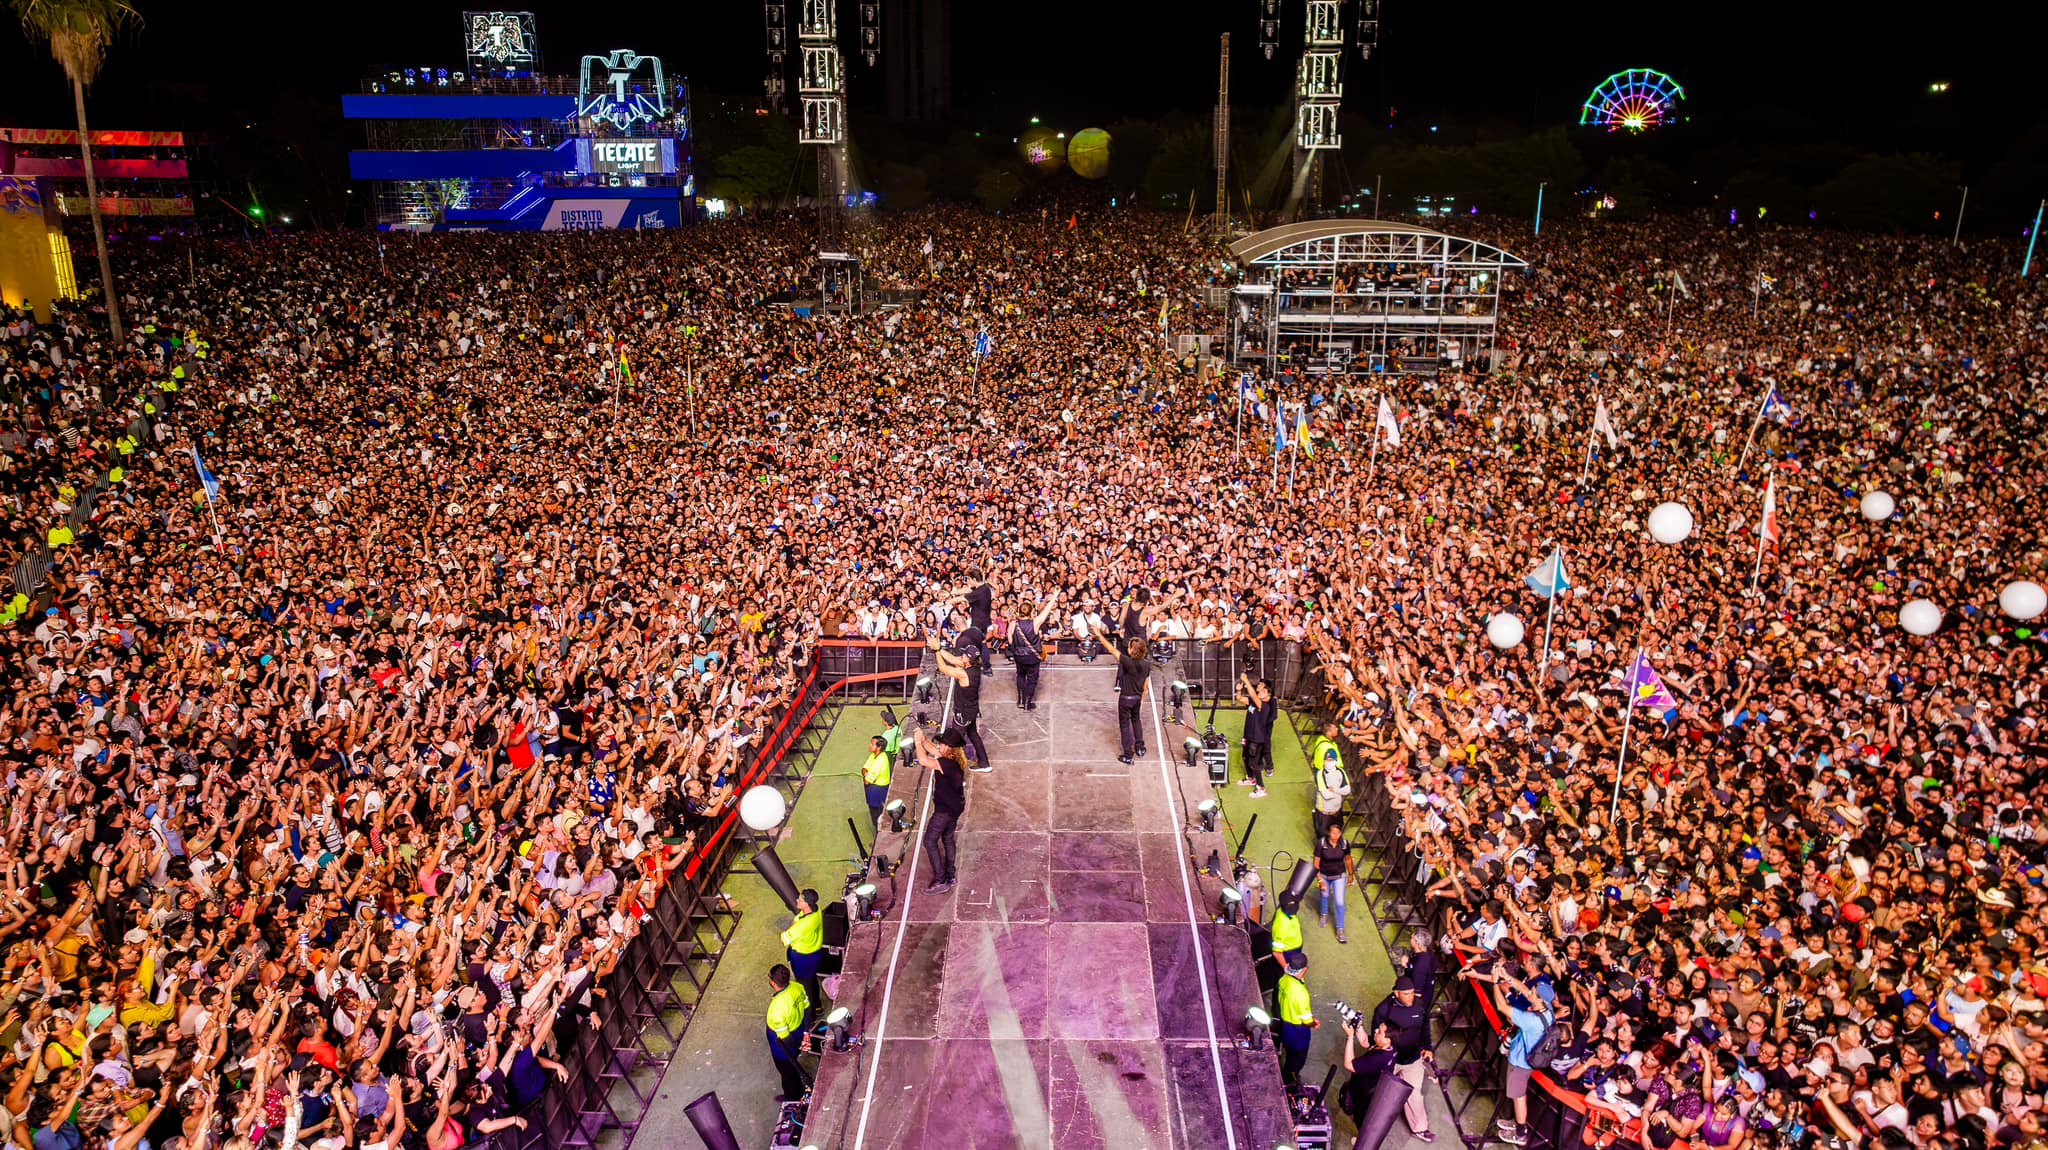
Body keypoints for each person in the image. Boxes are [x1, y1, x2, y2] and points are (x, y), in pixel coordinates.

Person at [1479, 967, 1554, 1147]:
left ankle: (1520, 1132)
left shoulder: (1531, 1021)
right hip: (1526, 1061)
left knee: (1518, 1096)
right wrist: (1507, 977)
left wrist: (1496, 982)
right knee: (1517, 1095)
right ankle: (1517, 1123)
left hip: (1520, 1064)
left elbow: (1502, 1007)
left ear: (1540, 999)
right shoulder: (1548, 1011)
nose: (1530, 993)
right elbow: (1525, 989)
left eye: (1533, 993)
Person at [1369, 972, 1435, 1142]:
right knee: (1377, 1092)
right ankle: (1368, 1125)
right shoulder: (1384, 1009)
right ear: (1396, 993)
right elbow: (1375, 1036)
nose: (1411, 997)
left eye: (1412, 993)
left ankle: (1419, 1128)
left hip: (1412, 1058)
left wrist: (1428, 1048)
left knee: (1414, 1093)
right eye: (1406, 994)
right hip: (1389, 1059)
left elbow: (1425, 1028)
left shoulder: (1420, 1005)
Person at [929, 627, 992, 773]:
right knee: (973, 734)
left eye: (964, 655)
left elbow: (943, 668)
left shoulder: (964, 674)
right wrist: (939, 649)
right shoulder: (973, 666)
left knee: (953, 744)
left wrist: (936, 651)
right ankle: (984, 762)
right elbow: (952, 659)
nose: (961, 655)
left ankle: (956, 775)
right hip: (971, 709)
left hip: (963, 712)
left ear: (968, 659)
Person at [918, 727, 968, 894]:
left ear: (948, 747)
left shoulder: (946, 764)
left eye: (942, 744)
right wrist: (923, 739)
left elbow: (923, 760)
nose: (939, 746)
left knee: (929, 841)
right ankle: (951, 875)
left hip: (944, 810)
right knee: (947, 838)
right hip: (956, 806)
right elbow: (933, 749)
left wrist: (917, 743)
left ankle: (940, 880)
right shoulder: (954, 758)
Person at [1096, 620, 1153, 764]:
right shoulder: (1147, 665)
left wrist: (1099, 635)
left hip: (1126, 698)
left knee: (1125, 725)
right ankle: (1140, 747)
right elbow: (1146, 685)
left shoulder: (1128, 662)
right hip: (1137, 697)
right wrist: (1142, 699)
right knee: (1136, 720)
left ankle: (1128, 754)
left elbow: (1111, 649)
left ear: (1132, 650)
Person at [765, 964, 812, 1103]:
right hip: (799, 1029)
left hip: (783, 1042)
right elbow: (808, 1009)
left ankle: (793, 1097)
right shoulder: (797, 987)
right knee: (792, 1061)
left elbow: (785, 1039)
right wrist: (805, 1034)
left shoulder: (776, 1010)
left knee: (786, 1070)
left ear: (773, 982)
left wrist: (795, 1048)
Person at [1341, 1019, 1400, 1128]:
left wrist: (1350, 1037)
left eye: (1379, 1032)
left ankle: (1361, 1136)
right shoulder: (1391, 1048)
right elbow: (1365, 1042)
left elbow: (1349, 1065)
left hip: (1365, 1095)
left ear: (1387, 1040)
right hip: (1374, 1090)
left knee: (1361, 1119)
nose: (1376, 1030)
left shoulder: (1378, 1058)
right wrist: (1358, 1024)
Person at [1008, 591, 1058, 710]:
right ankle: (1027, 703)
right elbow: (1046, 611)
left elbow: (1010, 641)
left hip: (1019, 656)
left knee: (1020, 676)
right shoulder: (1035, 623)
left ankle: (1021, 700)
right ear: (1031, 612)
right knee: (1032, 679)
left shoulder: (1013, 624)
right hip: (1032, 656)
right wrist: (1054, 596)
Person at [1275, 953, 1318, 1089]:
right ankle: (1287, 1082)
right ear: (1304, 969)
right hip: (1297, 1032)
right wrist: (1315, 1023)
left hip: (1285, 1025)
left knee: (1290, 1052)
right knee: (1297, 1061)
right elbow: (1307, 1021)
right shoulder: (1301, 993)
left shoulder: (1284, 979)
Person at [1314, 821, 1357, 944]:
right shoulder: (1322, 843)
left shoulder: (1344, 844)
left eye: (1338, 833)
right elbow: (1316, 863)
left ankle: (1340, 929)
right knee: (1325, 895)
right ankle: (1324, 914)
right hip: (1324, 875)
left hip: (1339, 876)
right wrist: (1320, 880)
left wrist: (1351, 874)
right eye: (1333, 833)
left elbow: (1348, 859)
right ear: (1329, 833)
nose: (1336, 835)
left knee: (1340, 902)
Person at [782, 889, 826, 1010]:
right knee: (812, 980)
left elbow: (784, 938)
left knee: (805, 985)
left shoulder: (803, 926)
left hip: (803, 959)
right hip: (814, 955)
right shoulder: (816, 911)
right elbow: (798, 918)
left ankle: (811, 1011)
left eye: (800, 900)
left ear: (807, 904)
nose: (797, 900)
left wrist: (790, 928)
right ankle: (817, 1005)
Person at [1237, 673, 1276, 797]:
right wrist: (1239, 690)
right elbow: (1240, 698)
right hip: (1248, 736)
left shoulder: (1264, 706)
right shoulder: (1253, 702)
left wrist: (1246, 681)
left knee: (1254, 763)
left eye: (1264, 691)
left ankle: (1261, 788)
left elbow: (1253, 695)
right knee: (1245, 757)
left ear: (1268, 695)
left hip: (1257, 739)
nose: (1260, 691)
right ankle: (1250, 778)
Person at [1310, 721, 1350, 839]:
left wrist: (1335, 790)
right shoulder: (1327, 747)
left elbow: (1346, 790)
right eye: (1334, 728)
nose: (1337, 729)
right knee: (1322, 833)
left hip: (1327, 777)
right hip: (1327, 780)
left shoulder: (1322, 740)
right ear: (1329, 732)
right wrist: (1337, 791)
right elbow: (1327, 794)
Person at [1270, 885, 1307, 971]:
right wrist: (1287, 969)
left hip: (1296, 949)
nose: (1297, 905)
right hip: (1288, 953)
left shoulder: (1285, 911)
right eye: (1295, 903)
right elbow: (1277, 952)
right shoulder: (1281, 925)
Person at [862, 734, 894, 828]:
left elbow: (867, 782)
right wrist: (865, 773)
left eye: (872, 744)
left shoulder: (880, 761)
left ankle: (878, 832)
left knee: (877, 814)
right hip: (873, 789)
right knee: (874, 811)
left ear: (879, 747)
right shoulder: (874, 755)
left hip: (877, 791)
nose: (870, 745)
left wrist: (866, 775)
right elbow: (864, 768)